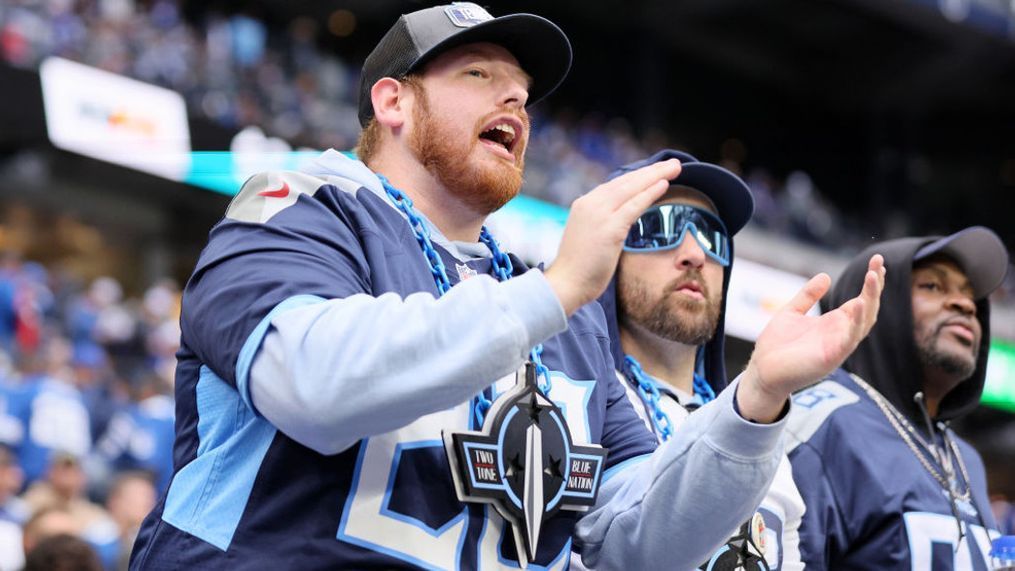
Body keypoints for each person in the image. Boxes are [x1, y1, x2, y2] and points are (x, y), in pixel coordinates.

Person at [129, 4, 885, 568]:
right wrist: (552, 290)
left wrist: (755, 403)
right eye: (479, 75)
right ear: (393, 103)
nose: (515, 101)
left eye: (523, 91)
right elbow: (314, 384)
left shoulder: (558, 312)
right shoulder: (298, 209)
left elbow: (638, 540)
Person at [596, 149, 805, 569]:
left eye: (711, 235)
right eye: (660, 228)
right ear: (607, 252)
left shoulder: (765, 439)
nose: (694, 254)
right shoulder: (581, 408)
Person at [786, 226, 1008, 569]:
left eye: (970, 296)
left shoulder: (965, 459)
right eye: (932, 285)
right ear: (875, 306)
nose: (965, 303)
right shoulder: (822, 423)